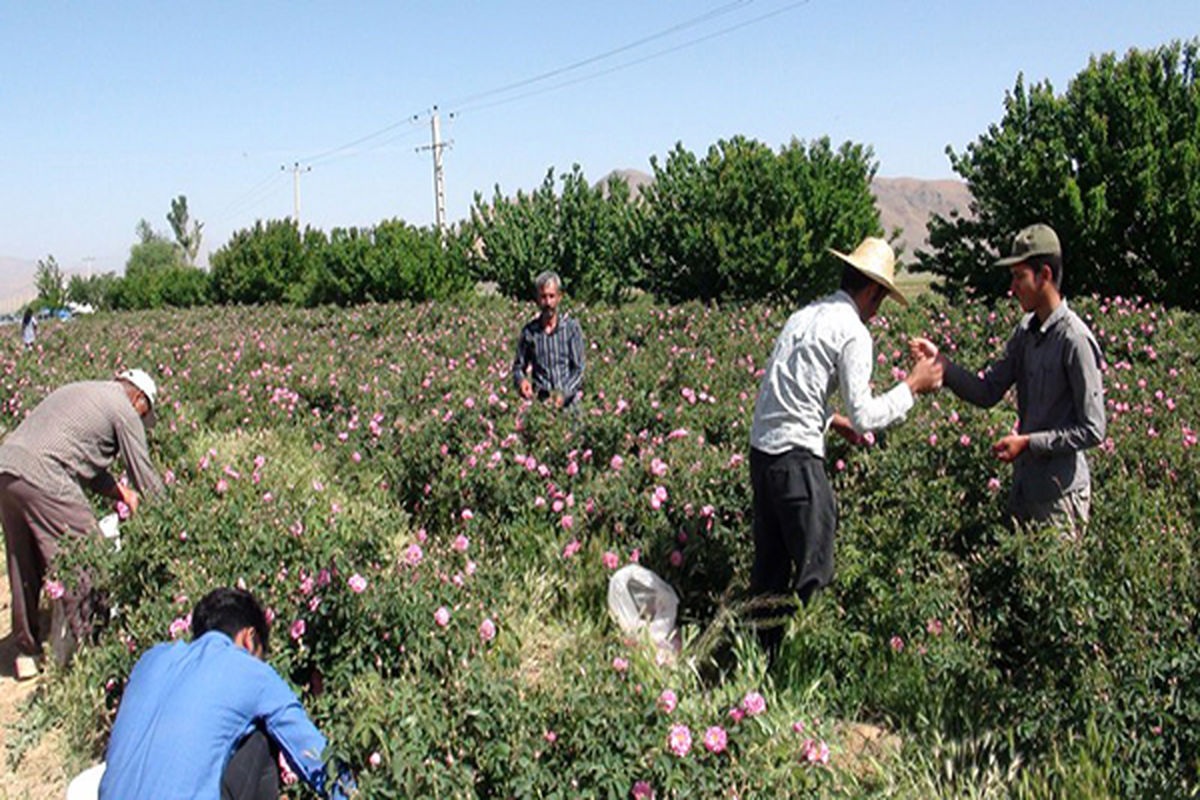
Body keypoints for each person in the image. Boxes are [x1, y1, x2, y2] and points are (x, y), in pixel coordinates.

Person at [748, 237, 942, 654]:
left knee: (769, 572)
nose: (878, 311)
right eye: (881, 300)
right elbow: (867, 417)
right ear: (872, 291)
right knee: (816, 570)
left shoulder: (803, 316)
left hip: (763, 454)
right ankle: (804, 663)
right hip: (797, 459)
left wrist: (830, 420)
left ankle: (760, 664)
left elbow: (783, 390)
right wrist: (913, 385)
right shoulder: (854, 332)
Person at [910, 223, 1105, 530]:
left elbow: (1093, 429)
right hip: (1025, 490)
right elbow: (988, 391)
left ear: (1045, 276)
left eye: (1019, 277)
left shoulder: (1075, 340)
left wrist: (1029, 443)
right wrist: (944, 367)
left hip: (1060, 498)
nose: (1012, 288)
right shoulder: (1025, 333)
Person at [100, 587, 354, 800]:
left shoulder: (151, 659)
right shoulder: (248, 670)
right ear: (249, 638)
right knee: (260, 739)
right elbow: (312, 755)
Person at [0, 369, 163, 679]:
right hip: (44, 474)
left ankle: (27, 652)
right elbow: (143, 471)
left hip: (6, 468)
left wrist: (122, 493)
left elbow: (83, 463)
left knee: (23, 559)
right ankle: (96, 649)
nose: (142, 422)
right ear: (140, 400)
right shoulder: (124, 410)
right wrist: (168, 518)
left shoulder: (88, 391)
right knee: (87, 557)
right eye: (145, 415)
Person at [512, 271, 585, 409]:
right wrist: (521, 382)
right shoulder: (529, 332)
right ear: (537, 299)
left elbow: (578, 369)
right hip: (541, 405)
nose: (548, 302)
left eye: (552, 296)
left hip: (569, 406)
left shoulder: (571, 328)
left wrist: (563, 394)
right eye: (543, 297)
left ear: (559, 297)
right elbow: (518, 367)